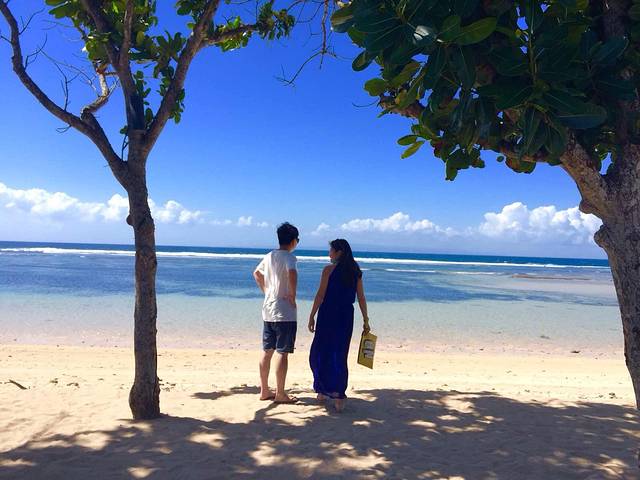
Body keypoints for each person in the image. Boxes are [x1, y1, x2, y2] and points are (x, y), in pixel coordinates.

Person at [308, 239, 370, 412]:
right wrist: (365, 319)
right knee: (339, 354)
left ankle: (324, 391)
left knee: (320, 352)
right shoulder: (355, 271)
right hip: (345, 316)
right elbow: (361, 298)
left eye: (331, 250)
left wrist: (312, 315)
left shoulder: (329, 270)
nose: (329, 253)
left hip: (328, 314)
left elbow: (320, 295)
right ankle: (336, 395)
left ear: (339, 252)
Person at [253, 222, 299, 404]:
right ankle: (280, 393)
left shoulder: (269, 256)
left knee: (267, 351)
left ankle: (264, 390)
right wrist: (292, 295)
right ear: (293, 241)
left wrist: (267, 291)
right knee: (282, 352)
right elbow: (292, 273)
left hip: (268, 309)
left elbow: (257, 274)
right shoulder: (289, 257)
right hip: (284, 311)